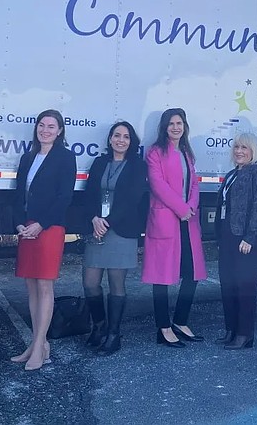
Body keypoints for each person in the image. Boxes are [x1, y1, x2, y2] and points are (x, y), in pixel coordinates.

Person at [11, 109, 77, 371]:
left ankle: (39, 346)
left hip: (49, 229)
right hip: (27, 228)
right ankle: (37, 343)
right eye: (42, 125)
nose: (45, 130)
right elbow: (19, 195)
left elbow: (64, 198)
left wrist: (41, 224)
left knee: (45, 286)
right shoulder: (29, 157)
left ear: (59, 131)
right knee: (30, 286)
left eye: (51, 126)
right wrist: (19, 223)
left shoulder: (65, 157)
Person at [142, 108, 208, 348]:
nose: (176, 127)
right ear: (164, 127)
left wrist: (190, 205)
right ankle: (163, 327)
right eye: (171, 123)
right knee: (161, 276)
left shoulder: (187, 152)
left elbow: (195, 185)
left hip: (187, 221)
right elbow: (157, 185)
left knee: (192, 274)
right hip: (166, 219)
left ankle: (180, 321)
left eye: (180, 122)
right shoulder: (155, 152)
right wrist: (181, 208)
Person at [82, 121, 149, 355]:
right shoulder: (100, 163)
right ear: (110, 139)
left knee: (116, 284)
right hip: (96, 228)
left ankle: (113, 334)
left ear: (132, 142)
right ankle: (99, 326)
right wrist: (94, 219)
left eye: (126, 137)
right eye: (117, 135)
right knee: (90, 283)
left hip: (120, 230)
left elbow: (132, 200)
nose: (121, 140)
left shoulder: (137, 166)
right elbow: (89, 194)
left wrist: (107, 222)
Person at [214, 132, 257, 350]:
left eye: (244, 148)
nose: (239, 151)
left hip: (246, 239)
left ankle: (244, 333)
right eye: (237, 147)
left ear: (253, 151)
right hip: (228, 237)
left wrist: (250, 237)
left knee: (244, 288)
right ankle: (231, 329)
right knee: (228, 285)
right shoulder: (232, 174)